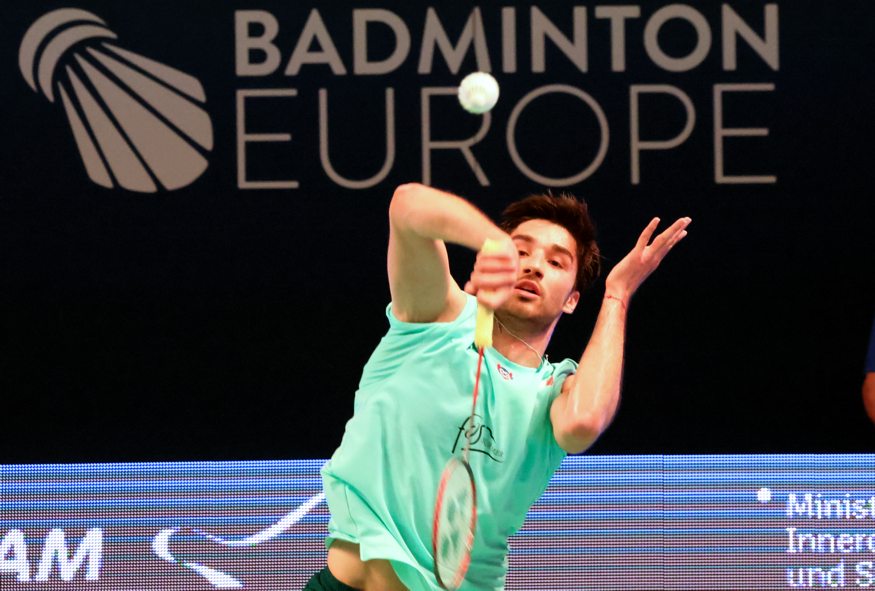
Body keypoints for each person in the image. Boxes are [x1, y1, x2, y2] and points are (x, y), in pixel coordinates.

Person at [305, 183, 691, 591]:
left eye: (555, 262)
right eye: (522, 251)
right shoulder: (437, 318)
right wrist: (492, 241)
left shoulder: (552, 390)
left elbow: (583, 424)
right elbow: (406, 207)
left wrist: (617, 295)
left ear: (572, 300)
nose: (534, 266)